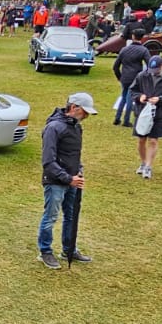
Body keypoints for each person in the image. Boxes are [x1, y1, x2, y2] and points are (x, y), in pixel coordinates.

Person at [38, 92, 96, 269]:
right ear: (74, 107)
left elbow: (73, 153)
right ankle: (45, 251)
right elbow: (48, 161)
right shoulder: (54, 128)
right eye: (84, 111)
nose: (86, 116)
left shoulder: (76, 127)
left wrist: (79, 170)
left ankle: (69, 249)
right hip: (56, 181)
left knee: (71, 216)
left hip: (73, 180)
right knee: (51, 217)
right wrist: (67, 178)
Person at [130, 55, 162, 179]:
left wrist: (161, 99)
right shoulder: (142, 75)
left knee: (153, 140)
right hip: (142, 112)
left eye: (156, 70)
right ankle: (143, 162)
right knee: (141, 139)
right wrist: (139, 97)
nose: (153, 73)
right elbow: (133, 90)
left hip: (159, 113)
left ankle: (148, 166)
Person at [113, 32, 149, 127]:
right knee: (130, 98)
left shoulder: (124, 49)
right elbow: (149, 65)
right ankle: (126, 120)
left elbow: (115, 66)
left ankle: (117, 118)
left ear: (133, 36)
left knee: (123, 97)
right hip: (135, 78)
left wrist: (119, 77)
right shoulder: (143, 50)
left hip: (124, 77)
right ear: (142, 38)